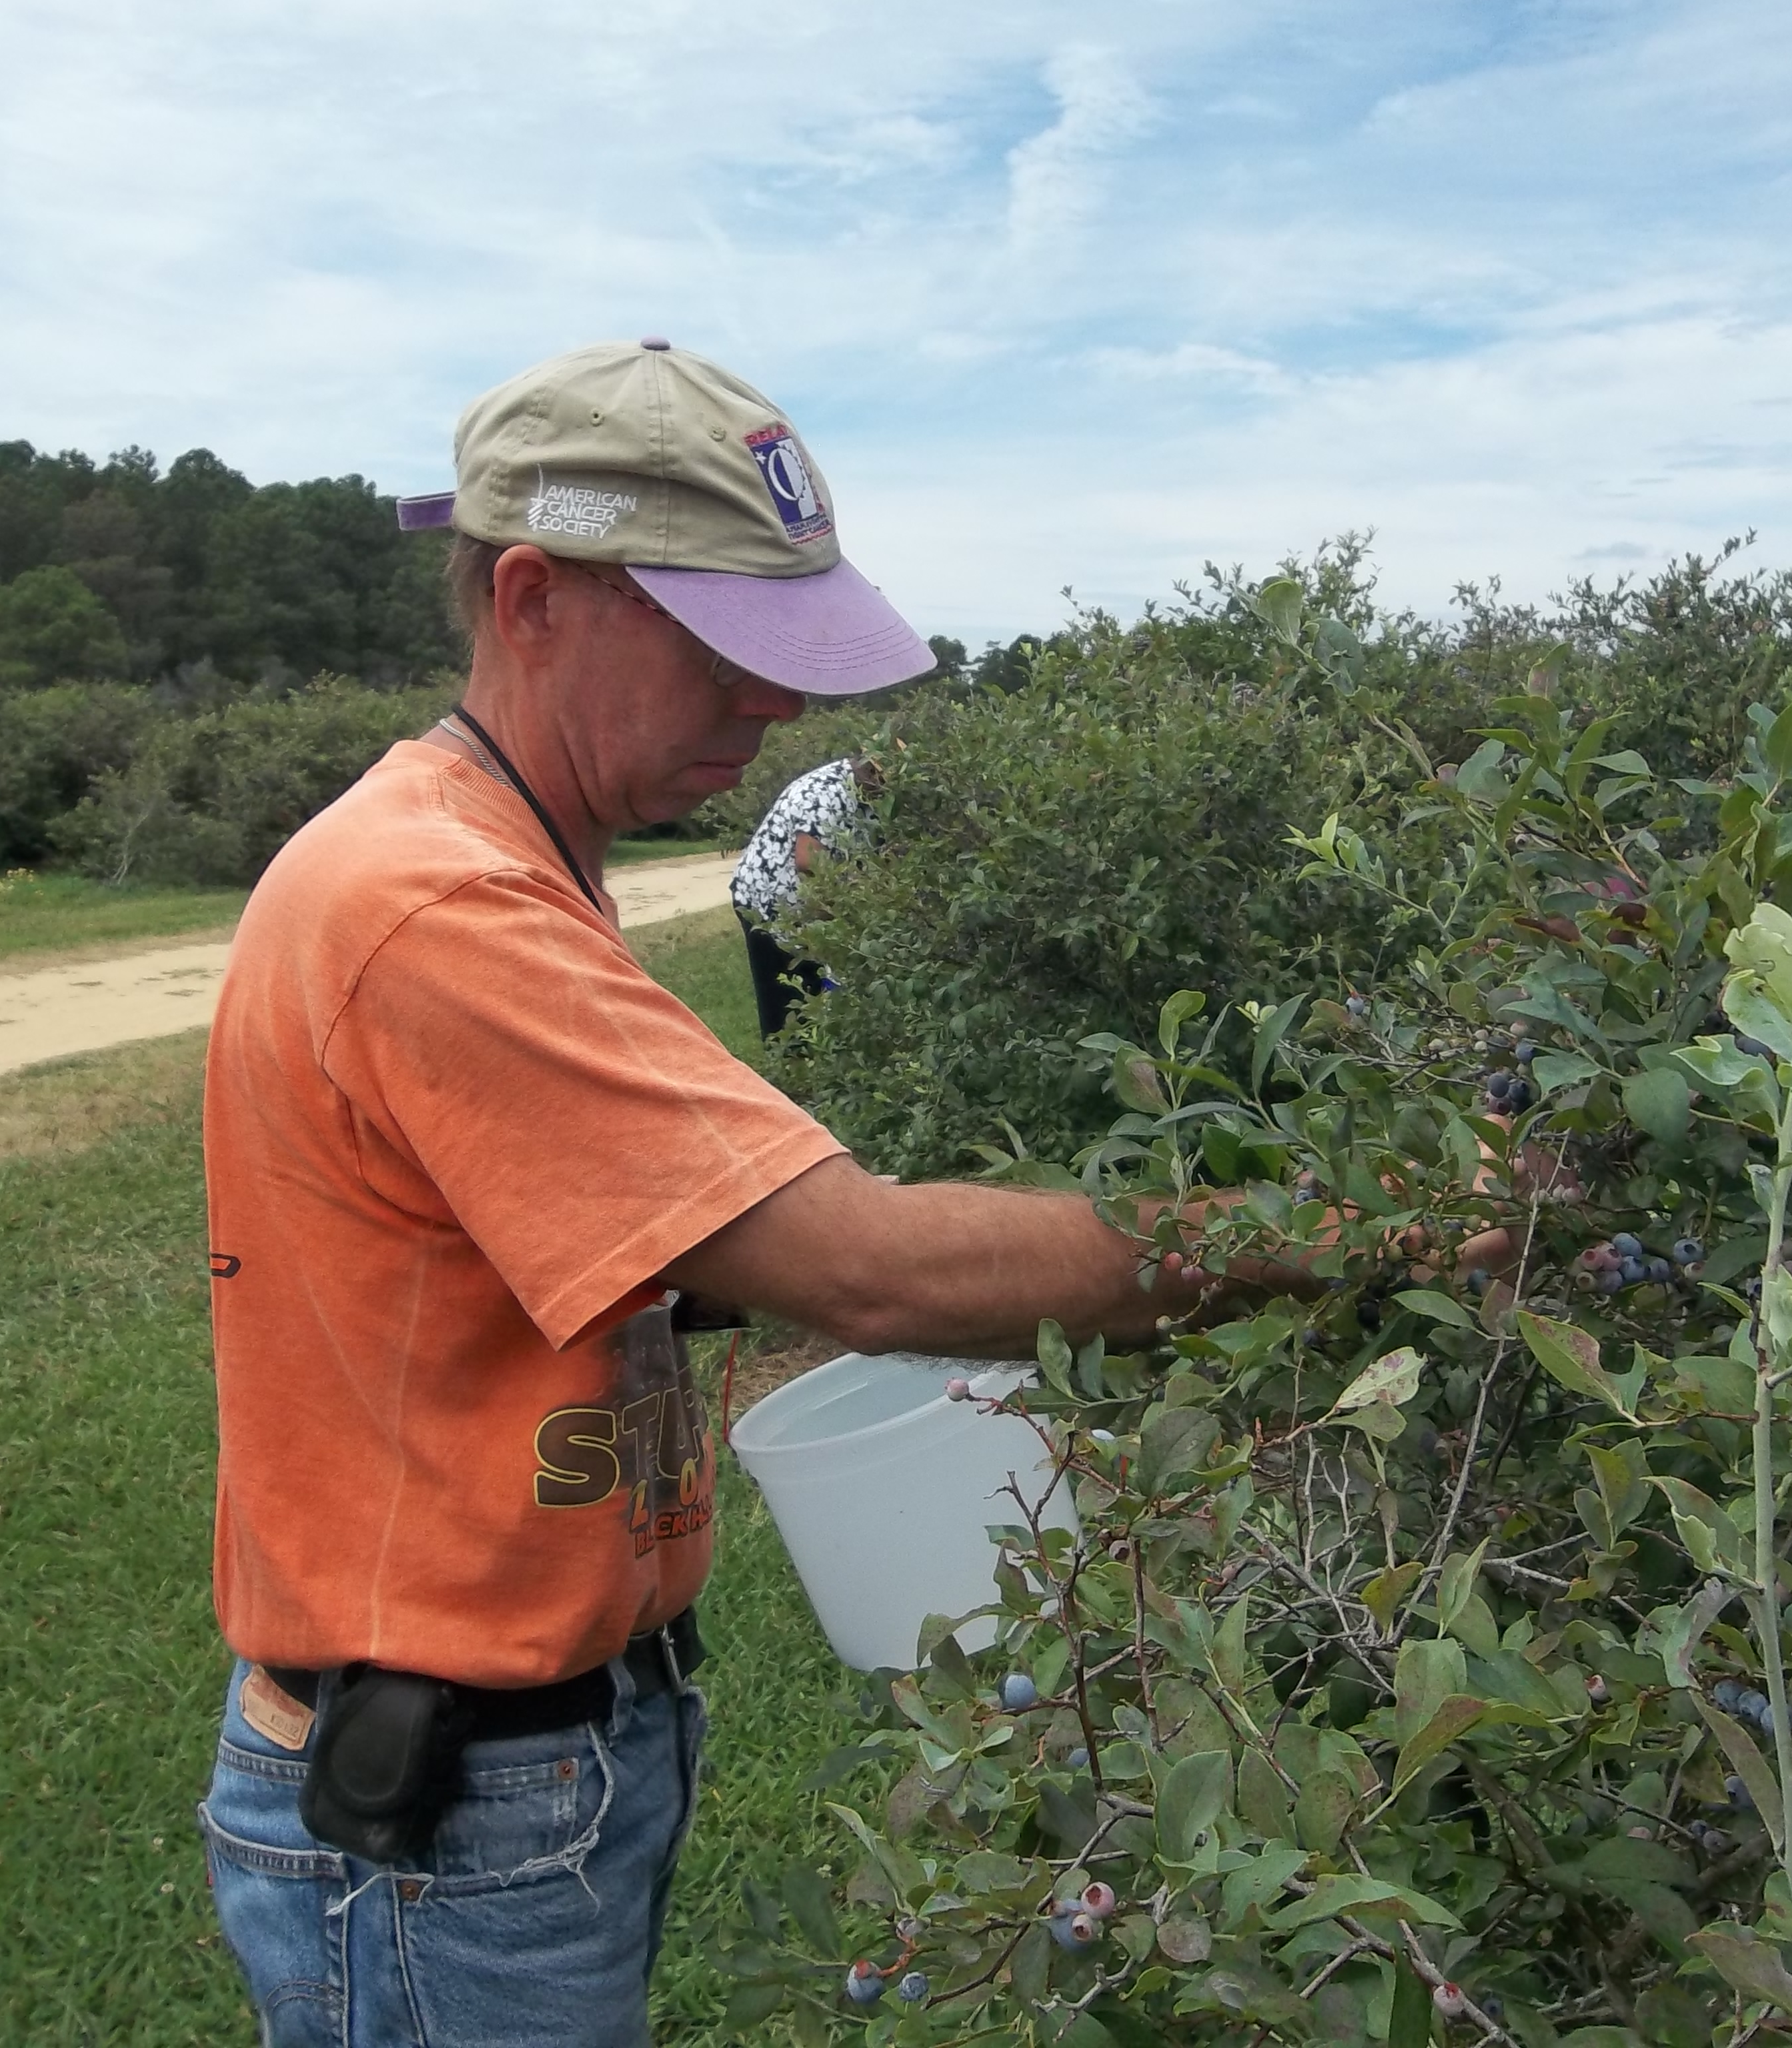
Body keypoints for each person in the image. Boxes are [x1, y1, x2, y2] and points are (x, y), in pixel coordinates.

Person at [191, 339, 1238, 2048]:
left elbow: (633, 1244)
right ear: (534, 598)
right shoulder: (439, 908)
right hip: (451, 1810)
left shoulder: (508, 856)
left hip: (534, 1760)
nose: (778, 707)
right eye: (727, 651)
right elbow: (872, 1268)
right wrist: (1318, 1240)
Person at [728, 753, 881, 1038]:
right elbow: (810, 865)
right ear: (871, 771)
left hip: (810, 910)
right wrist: (848, 920)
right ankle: (789, 1070)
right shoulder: (825, 792)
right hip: (770, 905)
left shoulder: (867, 794)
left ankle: (821, 1056)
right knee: (787, 1001)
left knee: (821, 991)